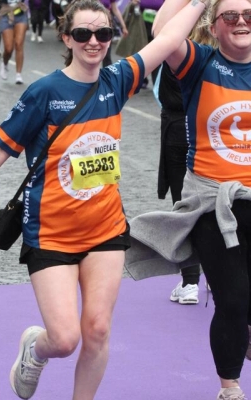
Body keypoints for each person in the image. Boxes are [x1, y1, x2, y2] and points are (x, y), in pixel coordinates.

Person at [0, 0, 209, 398]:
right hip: (50, 234)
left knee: (98, 330)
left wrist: (202, 2)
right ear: (67, 38)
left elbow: (169, 37)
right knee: (65, 338)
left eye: (103, 33)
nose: (94, 42)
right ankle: (36, 349)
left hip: (105, 228)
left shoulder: (118, 80)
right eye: (83, 33)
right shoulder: (46, 91)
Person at [125, 0, 251, 398]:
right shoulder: (201, 64)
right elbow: (164, 32)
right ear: (213, 27)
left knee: (244, 308)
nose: (241, 22)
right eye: (230, 16)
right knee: (233, 300)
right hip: (213, 205)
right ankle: (230, 388)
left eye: (249, 15)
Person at [157, 24, 218, 305]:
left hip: (180, 132)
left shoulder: (179, 57)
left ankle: (190, 281)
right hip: (213, 135)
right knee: (218, 205)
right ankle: (217, 274)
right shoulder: (223, 59)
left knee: (184, 207)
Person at [0, 0, 28, 84]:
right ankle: (4, 63)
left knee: (19, 44)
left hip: (20, 14)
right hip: (5, 14)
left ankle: (18, 74)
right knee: (8, 48)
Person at [99, 0, 128, 67]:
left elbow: (115, 10)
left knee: (107, 54)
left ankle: (107, 72)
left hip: (106, 25)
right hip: (92, 25)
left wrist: (123, 26)